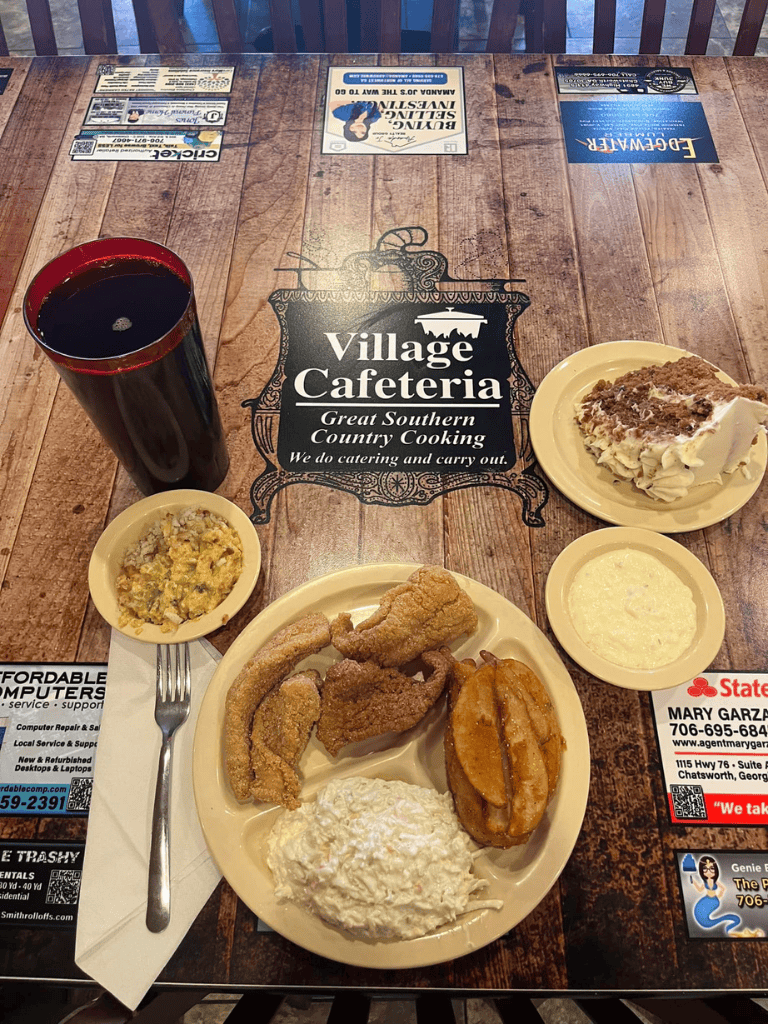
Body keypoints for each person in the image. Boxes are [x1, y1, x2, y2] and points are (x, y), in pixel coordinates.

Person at [691, 856, 741, 933]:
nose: (708, 872)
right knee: (700, 914)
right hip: (706, 899)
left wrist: (718, 897)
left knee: (703, 916)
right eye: (705, 869)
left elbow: (723, 889)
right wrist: (694, 883)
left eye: (711, 869)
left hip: (714, 901)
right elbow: (700, 890)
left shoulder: (715, 882)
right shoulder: (705, 882)